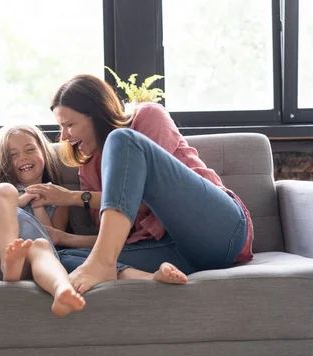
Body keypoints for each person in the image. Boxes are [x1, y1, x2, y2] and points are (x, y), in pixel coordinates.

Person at [26, 74, 253, 294]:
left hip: (218, 230)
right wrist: (63, 238)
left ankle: (104, 263)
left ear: (95, 115)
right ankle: (144, 275)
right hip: (175, 252)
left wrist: (72, 197)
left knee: (120, 139)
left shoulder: (146, 118)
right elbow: (116, 236)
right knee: (58, 259)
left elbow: (145, 201)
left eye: (69, 125)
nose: (64, 136)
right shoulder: (87, 170)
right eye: (61, 128)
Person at [0, 124, 86, 317]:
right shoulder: (1, 195)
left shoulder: (58, 198)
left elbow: (52, 238)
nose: (23, 157)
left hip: (24, 266)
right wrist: (18, 200)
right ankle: (8, 262)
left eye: (30, 149)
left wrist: (38, 204)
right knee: (5, 191)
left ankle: (61, 289)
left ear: (44, 152)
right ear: (6, 163)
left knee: (41, 246)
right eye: (13, 155)